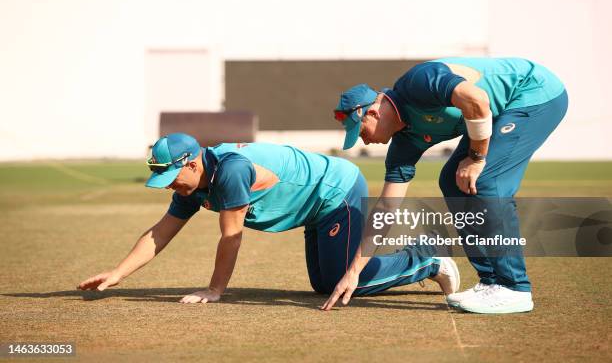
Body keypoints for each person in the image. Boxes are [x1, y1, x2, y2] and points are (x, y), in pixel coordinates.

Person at [78, 132, 459, 303]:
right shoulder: (194, 184)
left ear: (192, 163)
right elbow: (161, 232)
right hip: (315, 208)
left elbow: (231, 237)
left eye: (170, 177)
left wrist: (215, 290)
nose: (167, 186)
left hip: (335, 191)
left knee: (345, 284)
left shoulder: (229, 171)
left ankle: (427, 258)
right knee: (324, 283)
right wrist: (117, 274)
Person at [324, 57, 568, 314]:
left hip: (534, 92)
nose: (364, 140)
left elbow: (477, 101)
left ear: (372, 113)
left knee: (486, 180)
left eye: (361, 132)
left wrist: (476, 158)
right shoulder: (404, 145)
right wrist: (353, 273)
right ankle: (491, 281)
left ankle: (515, 288)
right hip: (497, 112)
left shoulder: (418, 83)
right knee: (452, 181)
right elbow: (386, 208)